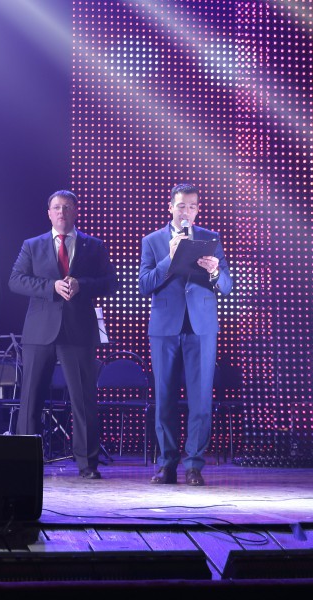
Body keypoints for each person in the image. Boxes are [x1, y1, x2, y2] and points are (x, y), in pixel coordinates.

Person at [9, 190, 117, 479]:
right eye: (56, 207)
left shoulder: (94, 245)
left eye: (67, 207)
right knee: (31, 397)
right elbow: (15, 280)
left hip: (78, 330)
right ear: (49, 213)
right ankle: (25, 459)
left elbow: (111, 282)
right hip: (39, 330)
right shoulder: (32, 245)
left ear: (75, 211)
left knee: (83, 398)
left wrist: (82, 285)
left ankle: (87, 463)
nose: (61, 212)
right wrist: (51, 287)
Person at [139, 183, 232, 486]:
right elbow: (144, 284)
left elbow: (227, 286)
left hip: (201, 326)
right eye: (181, 206)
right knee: (164, 397)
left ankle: (194, 465)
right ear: (170, 208)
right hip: (165, 327)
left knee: (201, 399)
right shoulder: (152, 240)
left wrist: (215, 271)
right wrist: (169, 257)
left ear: (197, 210)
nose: (186, 212)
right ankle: (167, 464)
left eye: (192, 206)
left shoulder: (211, 239)